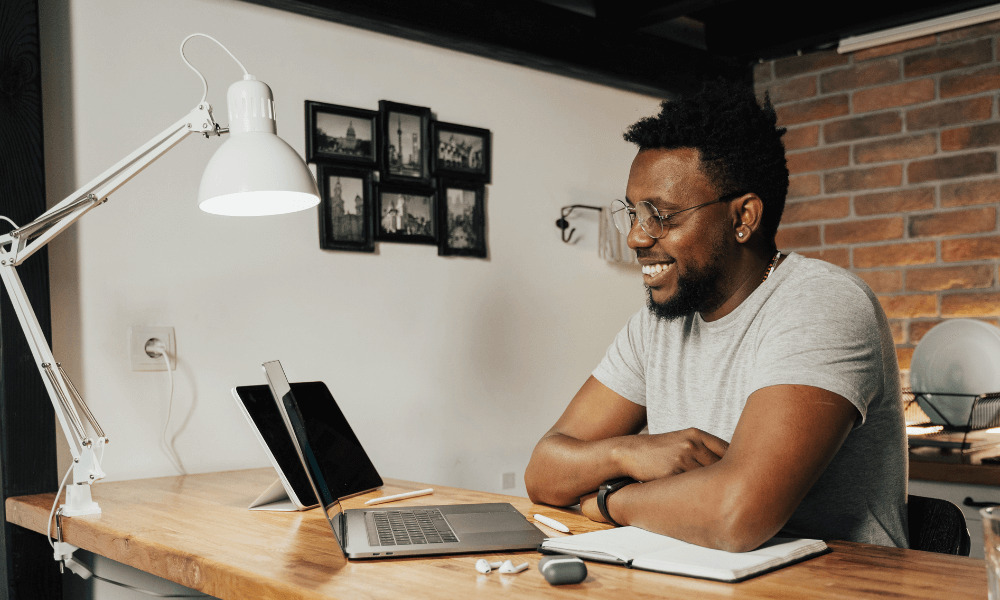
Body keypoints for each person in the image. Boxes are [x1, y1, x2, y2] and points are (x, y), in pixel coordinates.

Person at [524, 79, 908, 552]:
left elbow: (735, 514)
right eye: (634, 213)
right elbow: (544, 472)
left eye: (660, 216)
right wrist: (633, 450)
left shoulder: (821, 303)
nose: (636, 239)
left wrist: (608, 499)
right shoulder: (657, 324)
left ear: (743, 217)